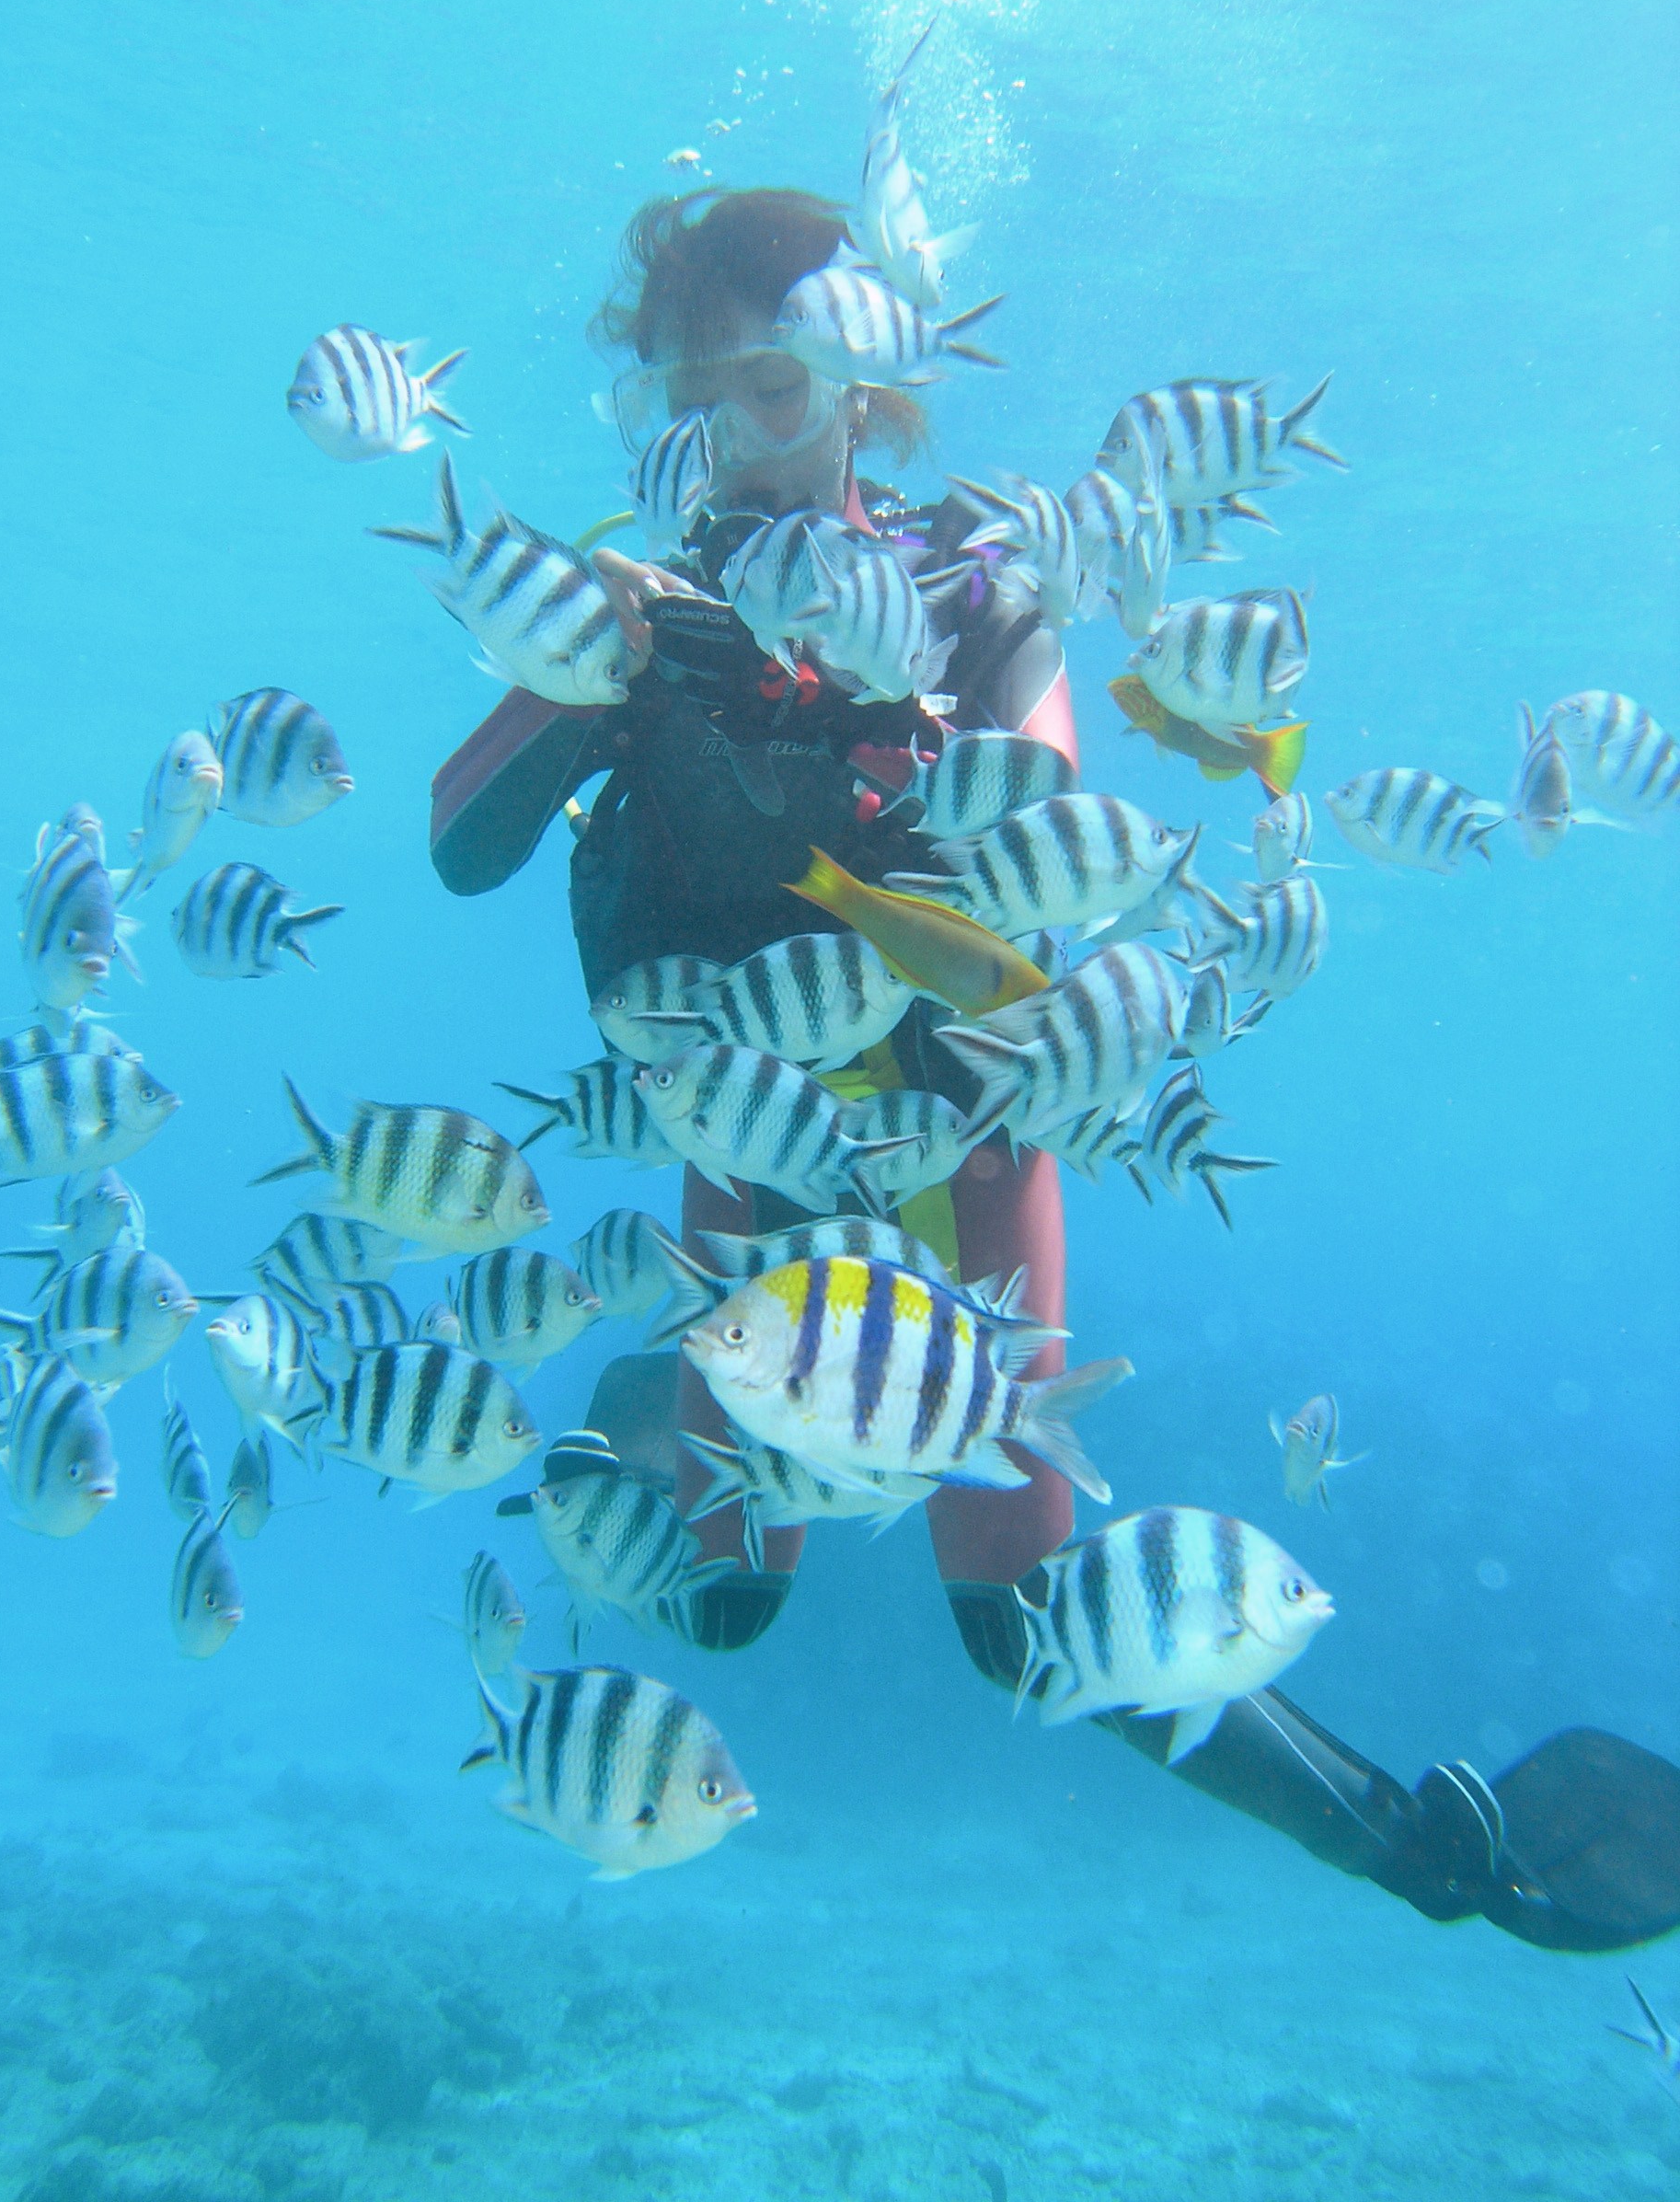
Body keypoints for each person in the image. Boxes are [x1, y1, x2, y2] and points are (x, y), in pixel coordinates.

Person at [430, 186, 1680, 1955]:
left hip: (965, 1119)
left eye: (774, 388)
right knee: (718, 1602)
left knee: (1022, 1622)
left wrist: (861, 741)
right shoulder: (627, 606)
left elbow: (1055, 838)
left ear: (864, 388)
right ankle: (636, 1406)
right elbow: (455, 841)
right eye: (689, 402)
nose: (737, 441)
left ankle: (1427, 1849)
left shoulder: (972, 583)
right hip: (751, 1126)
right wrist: (594, 660)